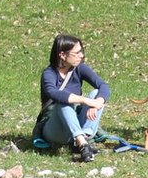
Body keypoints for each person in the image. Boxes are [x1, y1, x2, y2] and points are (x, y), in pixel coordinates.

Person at [33, 34, 109, 163]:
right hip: (55, 129)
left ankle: (84, 138)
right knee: (63, 102)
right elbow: (53, 93)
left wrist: (97, 103)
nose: (81, 55)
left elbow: (103, 86)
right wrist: (85, 100)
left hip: (76, 125)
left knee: (97, 93)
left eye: (81, 51)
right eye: (77, 53)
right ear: (62, 55)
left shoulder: (80, 68)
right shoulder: (49, 73)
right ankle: (82, 143)